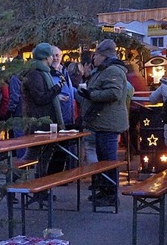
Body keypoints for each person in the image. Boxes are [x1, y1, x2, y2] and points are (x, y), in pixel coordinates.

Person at [75, 39, 129, 206]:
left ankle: (111, 195)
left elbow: (113, 93)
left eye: (96, 55)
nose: (93, 58)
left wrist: (90, 95)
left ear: (103, 55)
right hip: (101, 121)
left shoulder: (113, 71)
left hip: (108, 122)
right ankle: (104, 190)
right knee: (103, 159)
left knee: (108, 160)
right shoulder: (104, 70)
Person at [20, 42, 66, 174]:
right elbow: (40, 98)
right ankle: (12, 180)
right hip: (39, 122)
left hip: (45, 122)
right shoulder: (35, 74)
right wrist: (57, 89)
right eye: (52, 56)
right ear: (46, 57)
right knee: (32, 156)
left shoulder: (43, 72)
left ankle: (42, 191)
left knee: (44, 157)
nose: (54, 58)